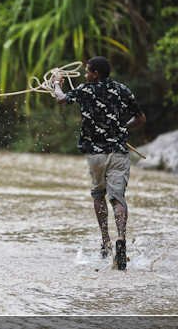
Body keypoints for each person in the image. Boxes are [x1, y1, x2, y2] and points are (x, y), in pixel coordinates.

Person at [53, 56, 146, 270]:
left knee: (98, 195)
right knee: (118, 198)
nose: (85, 75)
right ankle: (121, 237)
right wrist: (123, 128)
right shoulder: (123, 89)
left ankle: (106, 242)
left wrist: (57, 82)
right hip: (120, 154)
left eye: (87, 72)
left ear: (95, 74)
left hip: (96, 155)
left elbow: (61, 99)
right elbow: (141, 118)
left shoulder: (86, 90)